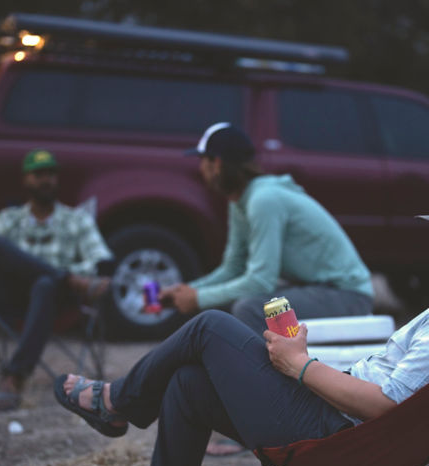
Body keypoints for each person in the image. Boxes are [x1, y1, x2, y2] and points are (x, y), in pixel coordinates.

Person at [54, 183, 429, 466]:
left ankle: (117, 403)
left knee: (210, 327)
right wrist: (301, 363)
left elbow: (388, 403)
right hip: (346, 434)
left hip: (342, 441)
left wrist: (300, 365)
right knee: (187, 383)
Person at [159, 122, 375, 335]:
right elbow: (232, 268)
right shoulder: (240, 201)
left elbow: (261, 281)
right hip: (315, 290)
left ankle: (263, 370)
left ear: (216, 163)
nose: (200, 168)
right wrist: (186, 290)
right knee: (222, 307)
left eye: (202, 160)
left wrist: (198, 298)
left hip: (347, 295)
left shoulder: (264, 200)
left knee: (251, 309)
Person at [0, 148, 113, 412]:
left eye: (50, 174)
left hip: (56, 301)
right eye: (38, 175)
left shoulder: (75, 219)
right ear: (26, 180)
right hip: (10, 299)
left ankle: (14, 377)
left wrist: (50, 274)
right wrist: (65, 274)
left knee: (44, 284)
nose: (45, 180)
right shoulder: (9, 219)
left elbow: (100, 261)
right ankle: (63, 277)